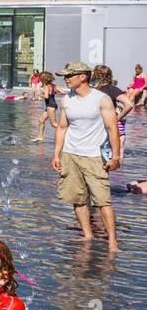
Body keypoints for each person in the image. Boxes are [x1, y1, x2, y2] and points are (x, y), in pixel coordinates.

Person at [51, 61, 120, 251]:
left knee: (103, 200)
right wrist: (56, 154)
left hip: (94, 156)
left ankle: (113, 242)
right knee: (77, 198)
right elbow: (62, 128)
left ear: (82, 77)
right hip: (71, 155)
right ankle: (87, 235)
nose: (65, 79)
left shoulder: (101, 99)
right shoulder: (67, 100)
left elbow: (112, 128)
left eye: (69, 75)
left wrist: (115, 156)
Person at [91, 64, 130, 162]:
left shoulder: (92, 90)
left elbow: (129, 104)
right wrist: (118, 118)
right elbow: (129, 104)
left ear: (96, 75)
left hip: (94, 127)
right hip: (106, 128)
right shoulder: (112, 89)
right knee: (105, 158)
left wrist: (117, 118)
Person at [31, 71, 61, 142]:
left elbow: (46, 97)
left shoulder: (46, 85)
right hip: (52, 105)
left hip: (50, 106)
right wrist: (54, 92)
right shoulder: (53, 85)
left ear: (43, 79)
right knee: (41, 120)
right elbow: (62, 92)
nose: (40, 79)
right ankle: (40, 137)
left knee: (54, 124)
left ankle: (68, 132)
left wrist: (40, 94)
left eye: (40, 78)